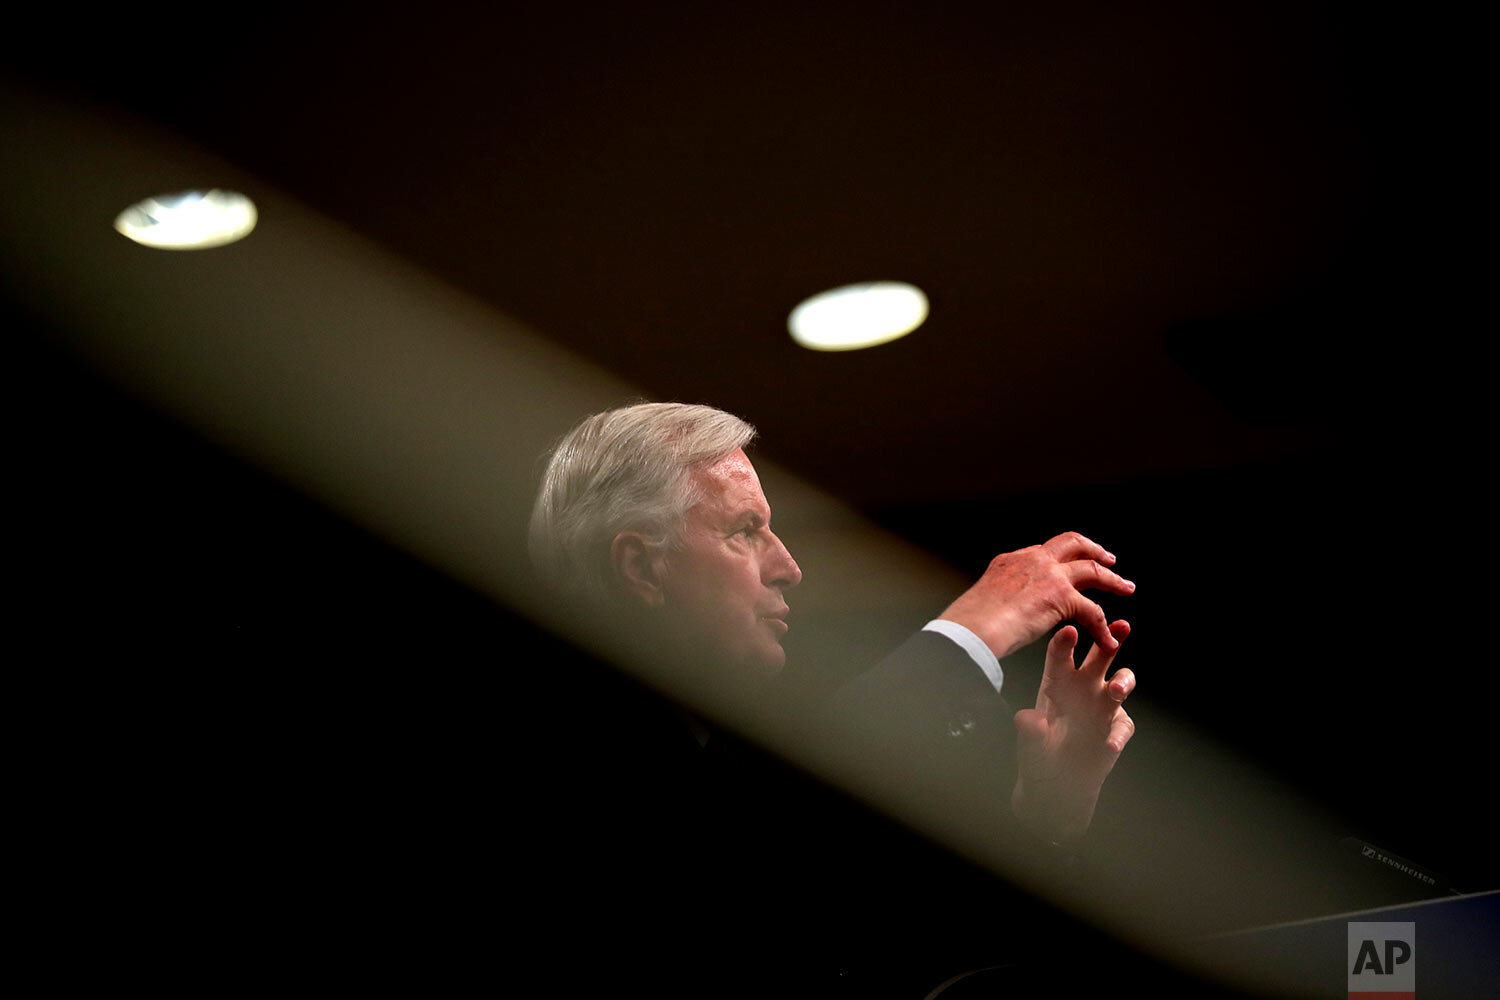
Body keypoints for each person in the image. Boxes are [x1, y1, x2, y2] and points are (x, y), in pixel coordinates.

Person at [526, 401, 1139, 993]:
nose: (788, 567)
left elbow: (894, 949)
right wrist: (972, 632)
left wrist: (1046, 818)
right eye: (745, 531)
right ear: (641, 567)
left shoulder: (728, 754)